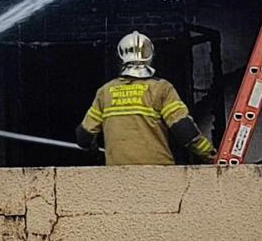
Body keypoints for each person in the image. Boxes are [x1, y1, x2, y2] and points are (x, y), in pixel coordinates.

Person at [76, 31, 215, 165]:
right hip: (158, 172)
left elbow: (84, 136)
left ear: (121, 56)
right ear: (150, 55)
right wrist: (211, 156)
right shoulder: (161, 88)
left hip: (117, 175)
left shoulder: (105, 92)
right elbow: (184, 130)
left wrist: (93, 149)